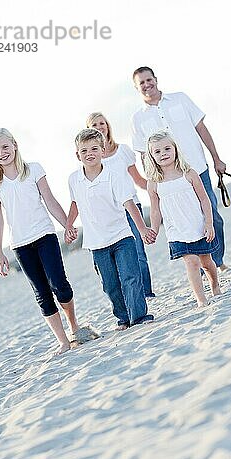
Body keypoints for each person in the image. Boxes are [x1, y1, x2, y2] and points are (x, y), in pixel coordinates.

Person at [0, 127, 89, 356]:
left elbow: (50, 200)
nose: (2, 153)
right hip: (20, 245)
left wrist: (67, 225)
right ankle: (63, 341)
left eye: (5, 147)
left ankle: (73, 325)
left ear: (14, 145)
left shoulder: (33, 169)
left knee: (59, 284)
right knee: (41, 293)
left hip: (45, 236)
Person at [131, 66, 229, 272]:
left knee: (212, 215)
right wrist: (152, 181)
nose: (147, 85)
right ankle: (202, 265)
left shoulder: (180, 99)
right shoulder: (138, 118)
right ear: (136, 87)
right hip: (168, 180)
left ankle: (216, 262)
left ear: (156, 79)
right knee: (185, 223)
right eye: (142, 82)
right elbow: (143, 154)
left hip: (196, 169)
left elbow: (201, 128)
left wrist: (217, 159)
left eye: (149, 80)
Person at [65, 128, 157, 330]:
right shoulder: (74, 179)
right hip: (96, 242)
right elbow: (75, 204)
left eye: (94, 148)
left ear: (103, 149)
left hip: (122, 236)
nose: (90, 154)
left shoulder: (114, 174)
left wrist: (141, 229)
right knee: (110, 285)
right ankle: (124, 318)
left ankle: (139, 316)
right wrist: (69, 225)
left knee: (130, 277)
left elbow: (129, 203)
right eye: (84, 150)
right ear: (77, 154)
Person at [145, 130, 221, 308]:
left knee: (207, 262)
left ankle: (215, 285)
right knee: (192, 262)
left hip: (198, 226)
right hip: (176, 231)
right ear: (151, 156)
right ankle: (201, 299)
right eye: (157, 151)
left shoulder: (189, 174)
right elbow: (155, 210)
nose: (163, 153)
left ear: (175, 149)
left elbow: (204, 199)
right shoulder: (153, 183)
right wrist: (154, 230)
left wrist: (209, 223)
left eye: (166, 148)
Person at [86, 112, 155, 297]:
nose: (99, 126)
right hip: (108, 214)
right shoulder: (90, 159)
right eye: (94, 124)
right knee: (118, 259)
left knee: (138, 252)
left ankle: (146, 293)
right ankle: (129, 294)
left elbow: (139, 180)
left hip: (131, 207)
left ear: (108, 126)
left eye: (102, 123)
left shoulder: (123, 151)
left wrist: (161, 186)